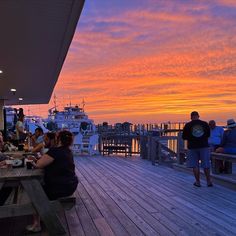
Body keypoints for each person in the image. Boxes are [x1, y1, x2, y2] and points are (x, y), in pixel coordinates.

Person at [26, 130, 78, 233]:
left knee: (34, 193)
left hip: (59, 188)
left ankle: (36, 224)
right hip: (71, 185)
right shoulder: (68, 151)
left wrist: (33, 161)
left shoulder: (55, 151)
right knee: (39, 186)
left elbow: (39, 165)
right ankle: (43, 217)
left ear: (58, 139)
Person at [182, 111, 213, 187]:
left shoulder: (188, 125)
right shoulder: (205, 124)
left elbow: (184, 137)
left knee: (195, 165)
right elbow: (208, 134)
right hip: (204, 146)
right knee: (206, 164)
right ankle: (208, 182)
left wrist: (191, 137)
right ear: (198, 116)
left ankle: (198, 182)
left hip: (192, 147)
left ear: (191, 117)